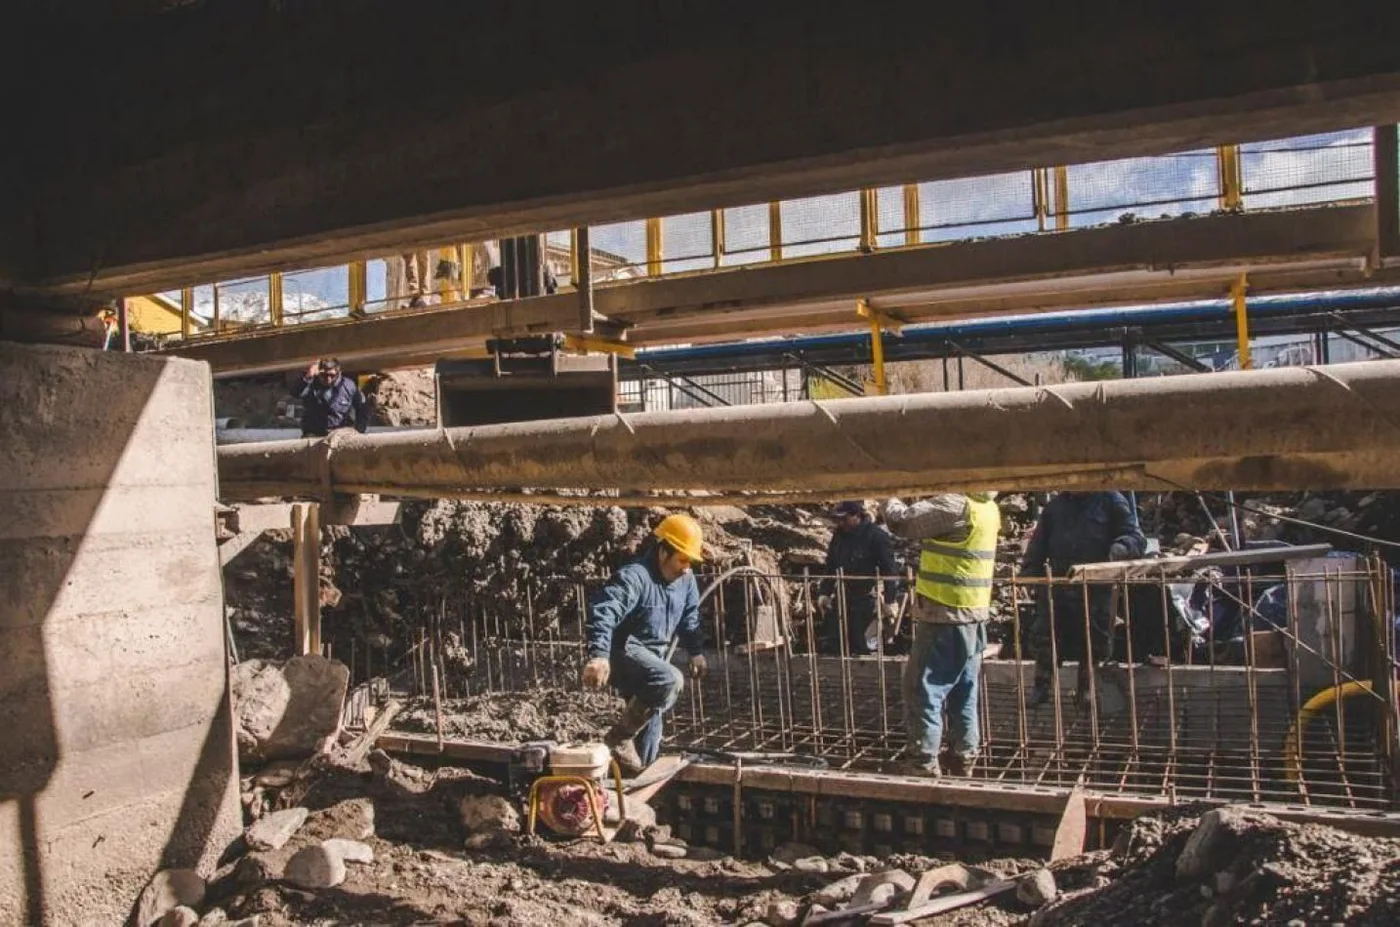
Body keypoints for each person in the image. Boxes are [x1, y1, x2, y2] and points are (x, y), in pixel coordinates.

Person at [882, 492, 1001, 776]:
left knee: (922, 688)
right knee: (963, 690)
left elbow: (903, 523)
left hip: (945, 615)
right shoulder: (987, 507)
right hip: (973, 615)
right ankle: (964, 756)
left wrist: (888, 496)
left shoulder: (956, 504)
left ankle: (922, 762)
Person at [582, 514, 708, 775]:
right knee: (670, 680)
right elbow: (604, 611)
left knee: (650, 729)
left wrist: (696, 651)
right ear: (663, 552)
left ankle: (629, 782)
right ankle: (617, 739)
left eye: (690, 561)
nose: (686, 567)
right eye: (682, 559)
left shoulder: (685, 580)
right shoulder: (635, 577)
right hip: (623, 653)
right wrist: (598, 655)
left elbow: (690, 616)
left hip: (652, 660)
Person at [1020, 491, 1147, 706]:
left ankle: (1086, 687)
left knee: (1092, 638)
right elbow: (1038, 543)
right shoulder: (1056, 506)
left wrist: (1118, 549)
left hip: (1095, 586)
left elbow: (1136, 538)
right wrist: (1030, 571)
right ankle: (1042, 685)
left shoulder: (1112, 501)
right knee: (1046, 634)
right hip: (1059, 583)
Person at [819, 501, 899, 655]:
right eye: (839, 519)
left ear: (857, 516)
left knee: (862, 643)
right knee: (836, 642)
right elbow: (831, 565)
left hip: (867, 599)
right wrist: (825, 592)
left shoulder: (876, 537)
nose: (841, 522)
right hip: (843, 596)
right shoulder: (839, 535)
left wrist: (890, 600)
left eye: (845, 518)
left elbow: (889, 570)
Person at [292, 357, 370, 438]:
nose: (328, 379)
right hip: (313, 434)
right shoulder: (310, 383)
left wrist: (359, 431)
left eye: (332, 375)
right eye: (324, 375)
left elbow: (363, 408)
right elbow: (295, 393)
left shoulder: (349, 386)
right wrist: (308, 376)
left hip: (341, 435)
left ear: (338, 372)